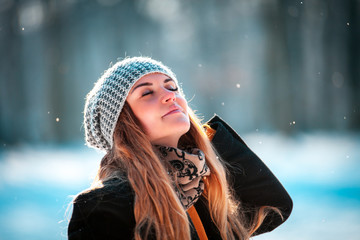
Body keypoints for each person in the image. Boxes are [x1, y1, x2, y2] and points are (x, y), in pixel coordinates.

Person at [68, 57, 293, 240]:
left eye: (172, 87)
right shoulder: (104, 205)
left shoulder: (203, 186)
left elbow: (274, 207)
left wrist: (207, 144)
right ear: (122, 123)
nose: (170, 96)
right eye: (147, 93)